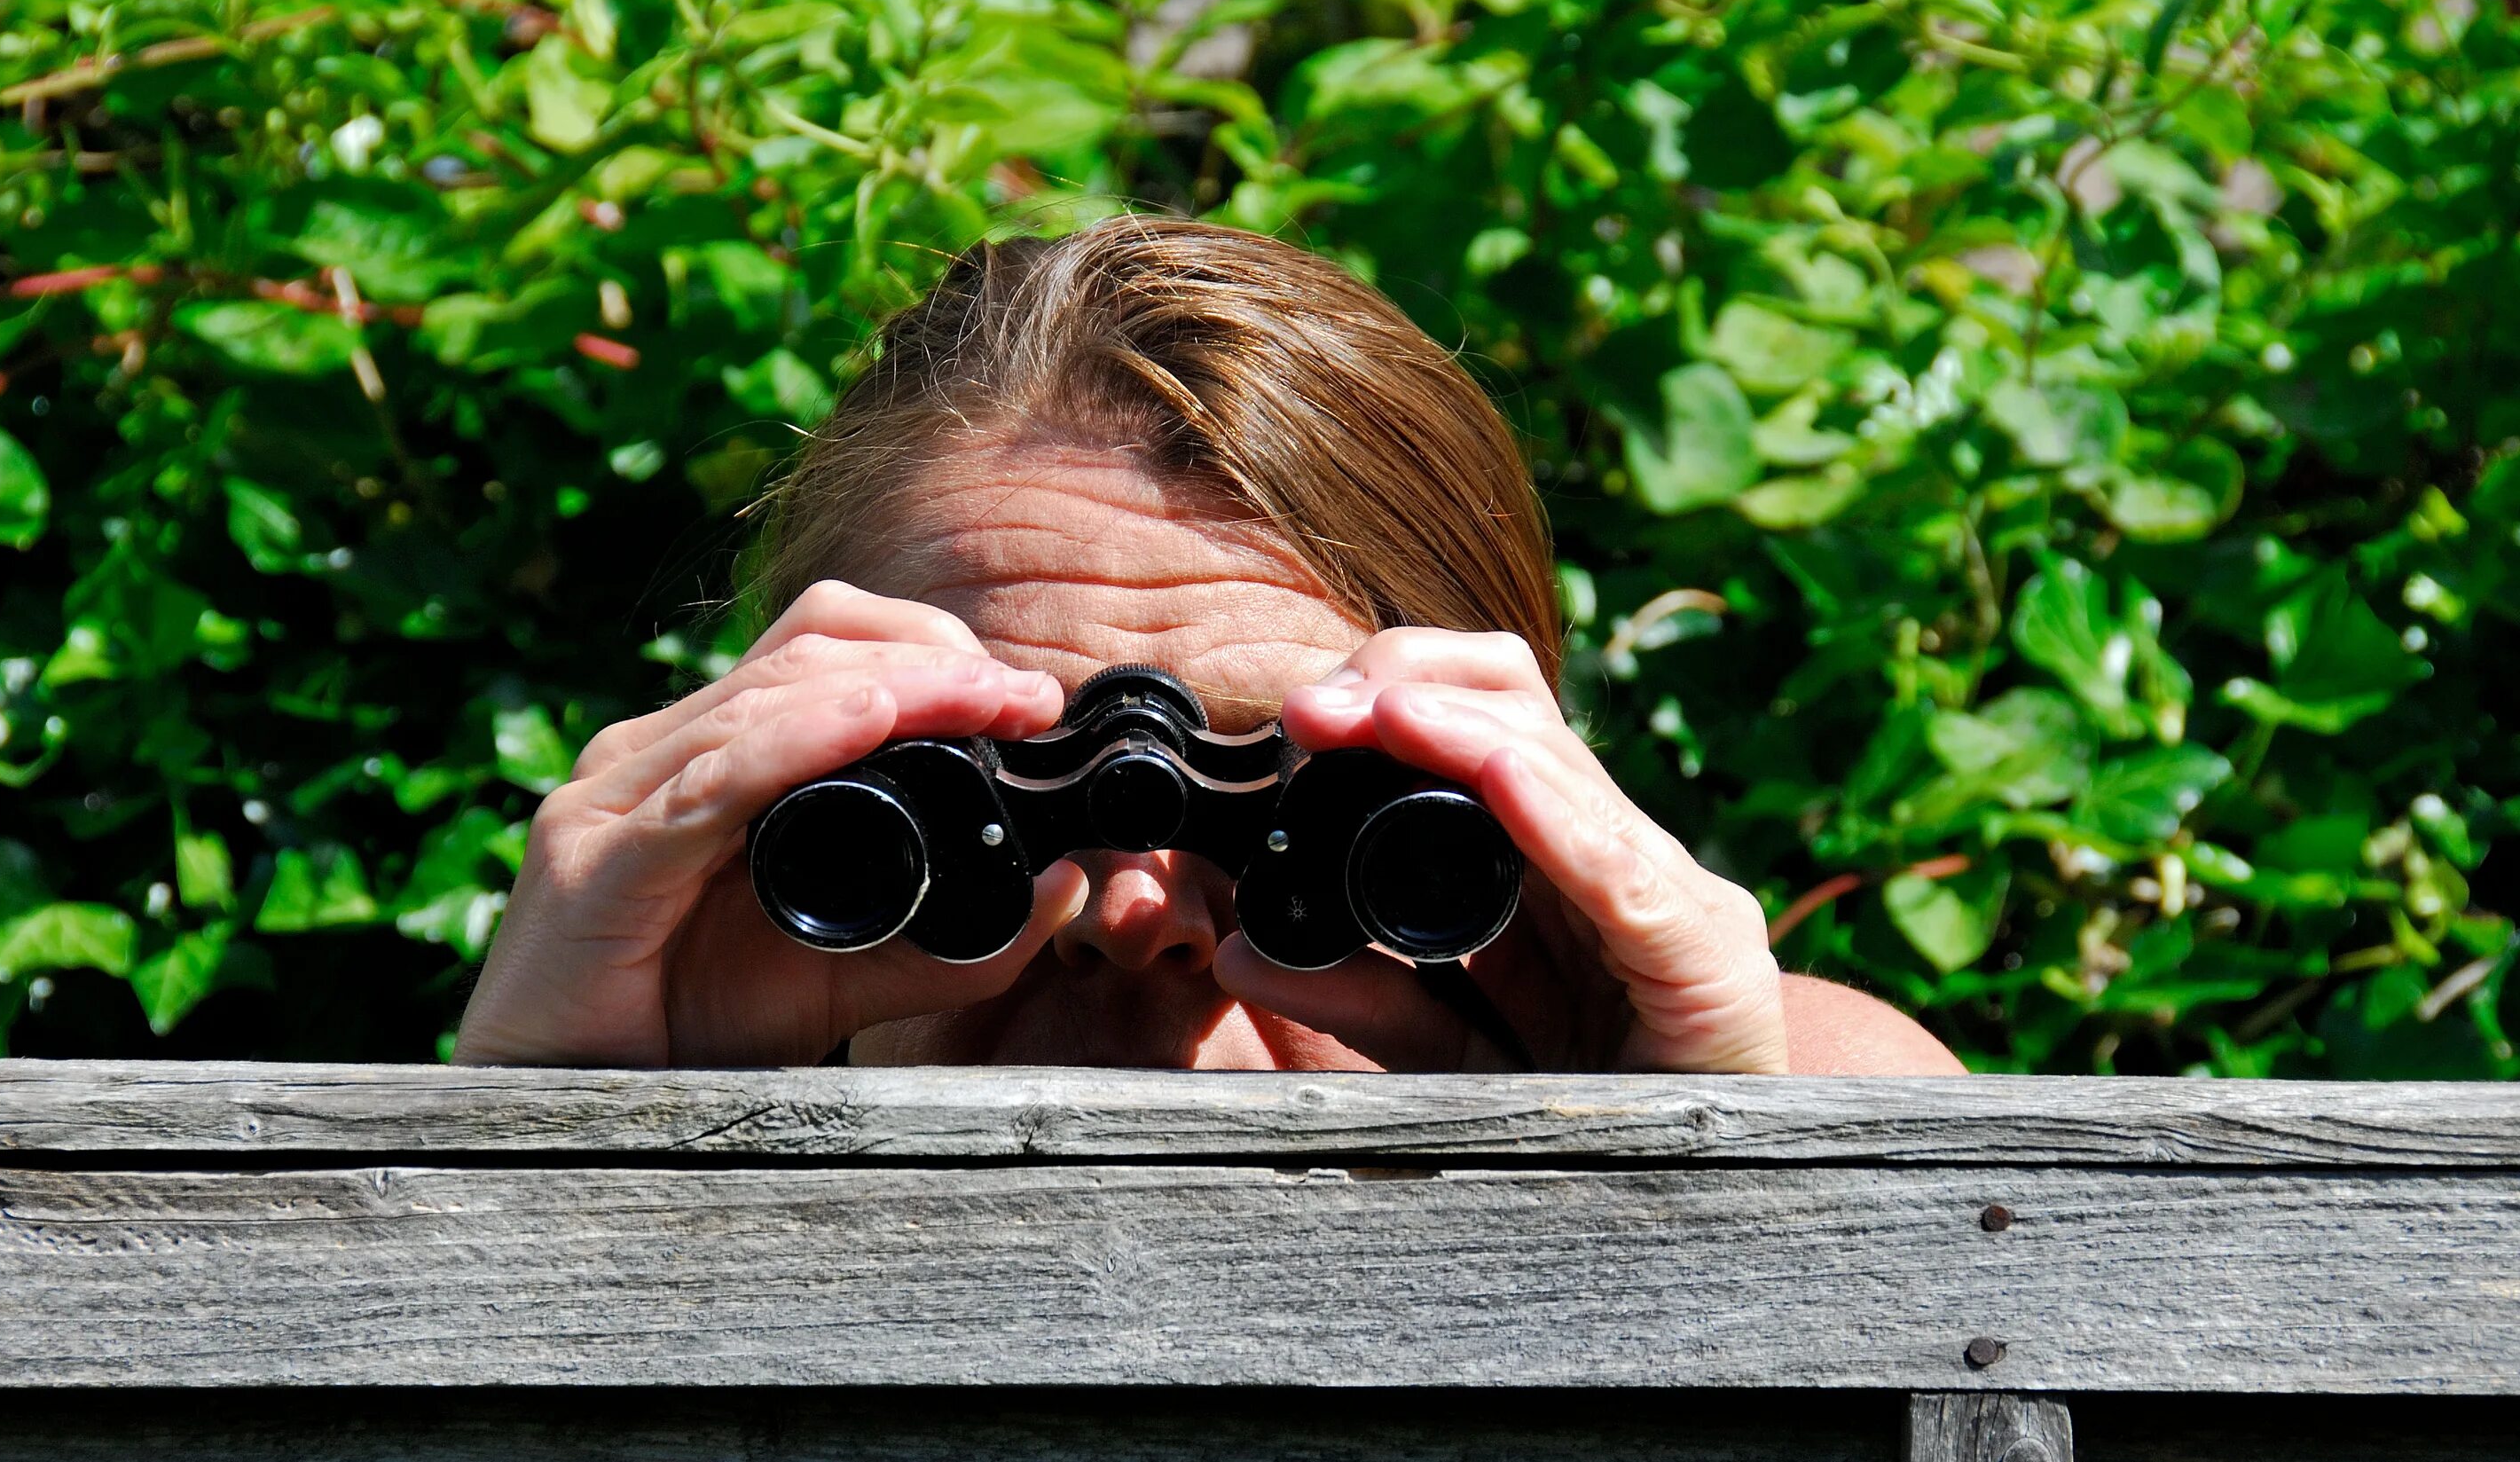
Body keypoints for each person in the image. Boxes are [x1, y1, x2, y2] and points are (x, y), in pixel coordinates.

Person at [455, 218, 1962, 1076]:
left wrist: (1679, 1142)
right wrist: (563, 1125)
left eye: (1320, 804)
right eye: (959, 782)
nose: (1132, 908)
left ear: (1512, 816)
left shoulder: (1778, 1073)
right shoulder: (665, 1054)